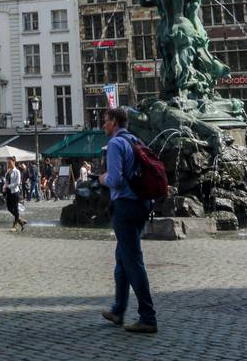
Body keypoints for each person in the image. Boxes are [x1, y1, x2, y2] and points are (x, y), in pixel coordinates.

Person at [100, 106, 156, 334]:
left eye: (105, 120)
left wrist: (102, 178)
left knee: (133, 262)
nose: (103, 124)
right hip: (142, 205)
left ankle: (148, 317)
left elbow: (115, 179)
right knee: (122, 259)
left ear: (114, 122)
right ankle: (118, 310)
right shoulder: (135, 140)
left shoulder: (115, 144)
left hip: (125, 205)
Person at [3, 156, 28, 232]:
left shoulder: (17, 171)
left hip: (15, 192)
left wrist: (8, 186)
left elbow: (18, 182)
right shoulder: (8, 171)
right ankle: (20, 220)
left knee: (15, 208)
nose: (8, 164)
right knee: (9, 208)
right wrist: (4, 187)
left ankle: (15, 225)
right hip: (8, 192)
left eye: (9, 162)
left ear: (14, 162)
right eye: (7, 162)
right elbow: (6, 181)